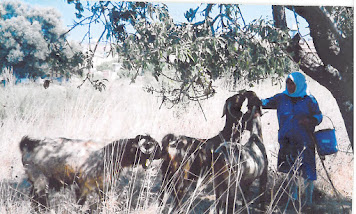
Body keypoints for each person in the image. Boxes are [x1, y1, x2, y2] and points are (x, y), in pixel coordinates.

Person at [261, 71, 322, 209]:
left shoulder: (309, 99)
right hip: (286, 140)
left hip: (305, 141)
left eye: (292, 83)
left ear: (299, 84)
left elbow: (319, 116)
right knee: (290, 171)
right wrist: (252, 98)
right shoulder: (281, 98)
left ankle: (308, 202)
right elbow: (265, 103)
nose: (289, 85)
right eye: (287, 82)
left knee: (308, 171)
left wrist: (311, 120)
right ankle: (293, 200)